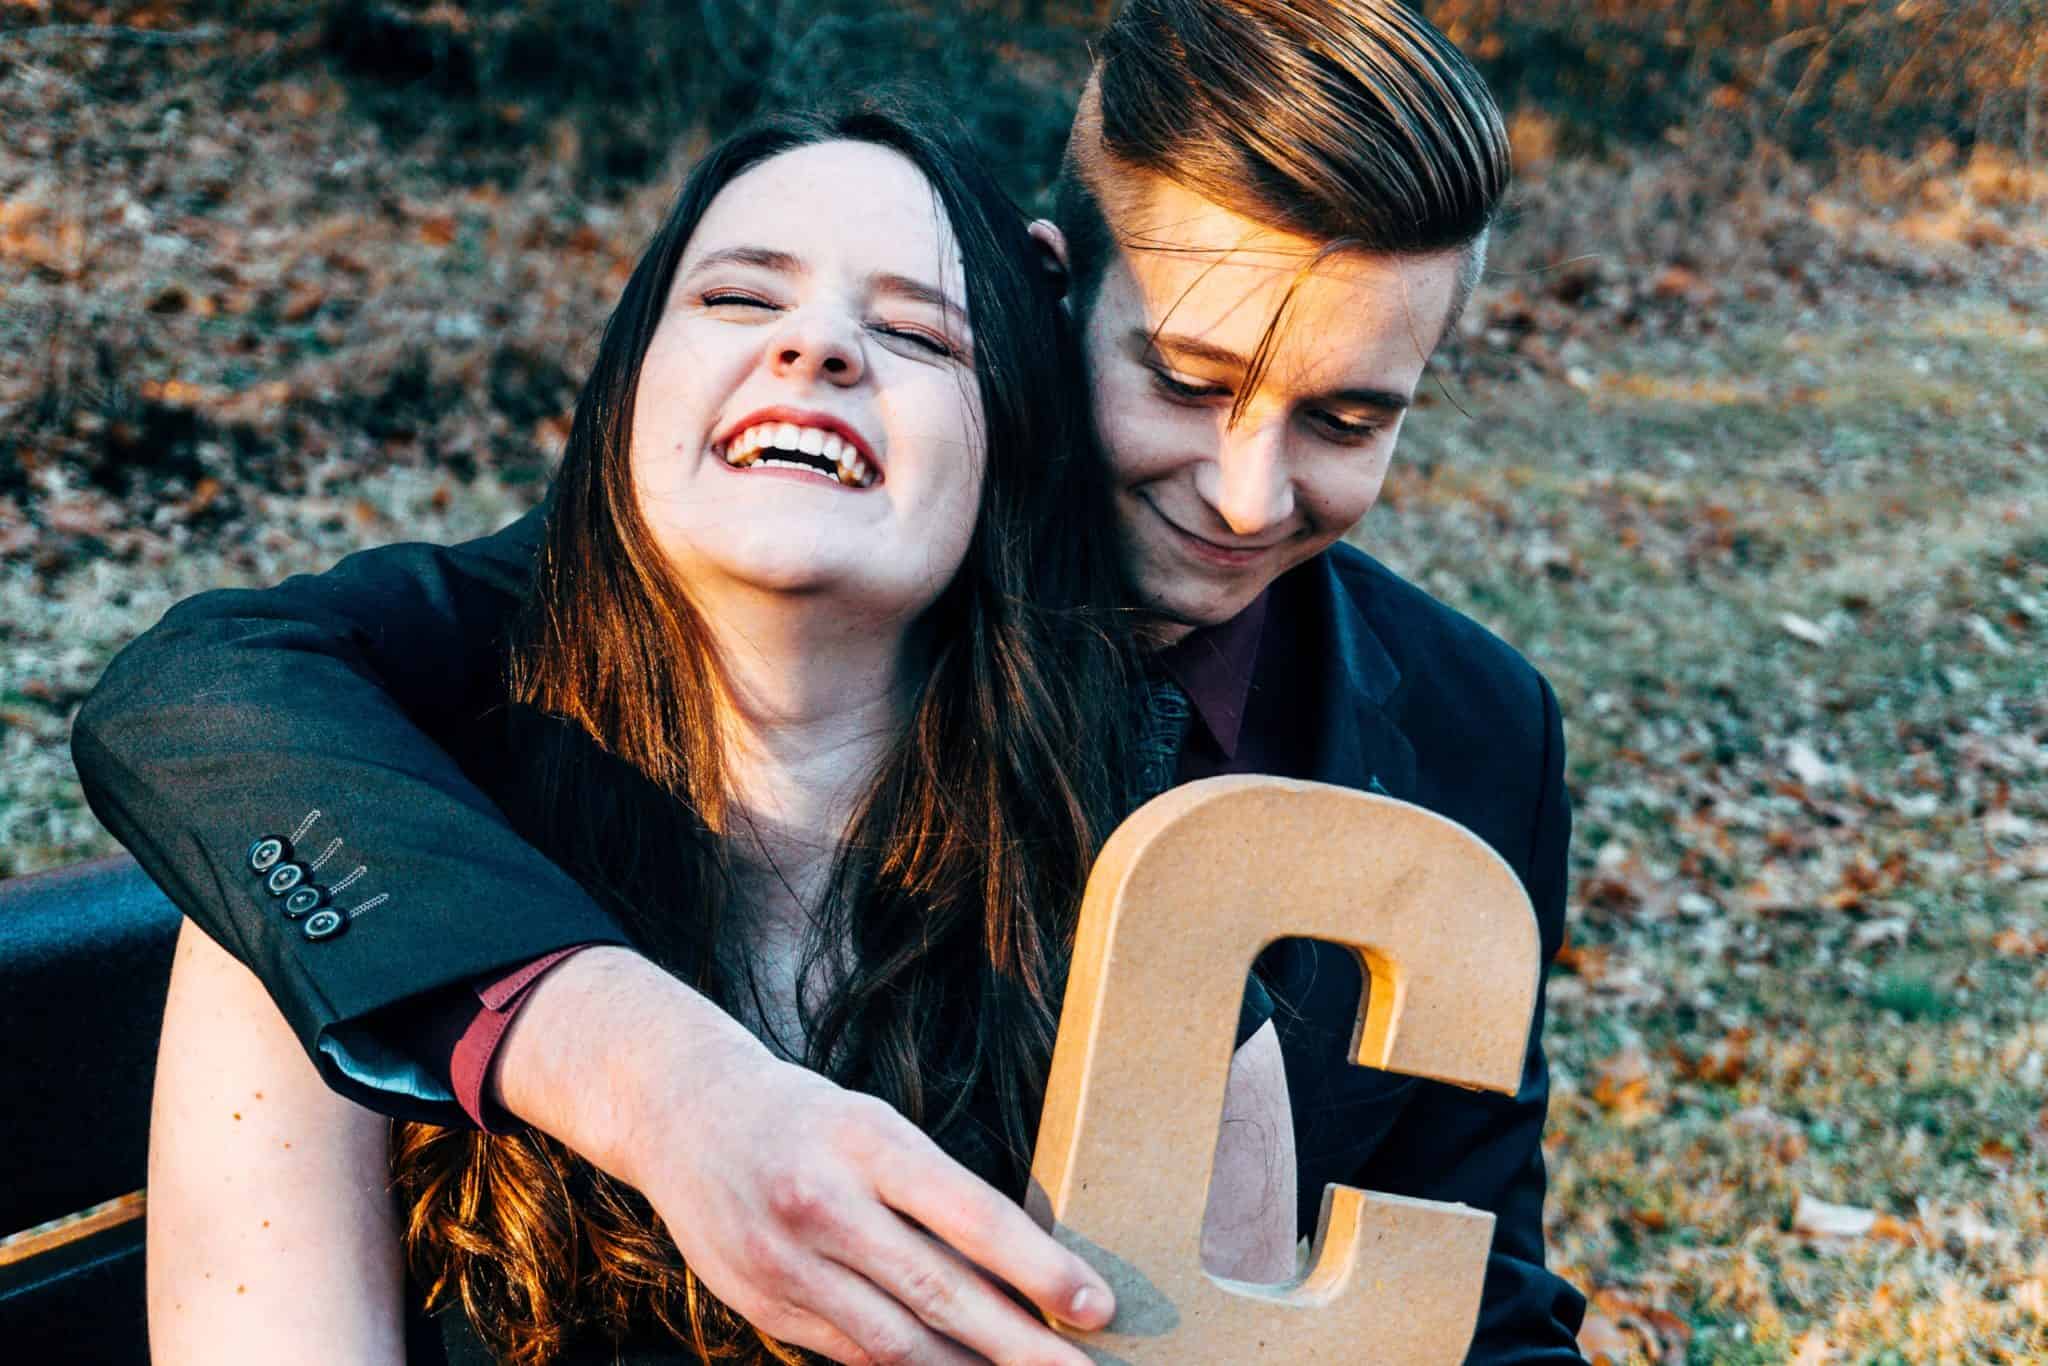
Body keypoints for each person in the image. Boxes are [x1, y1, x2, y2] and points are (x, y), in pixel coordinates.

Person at [76, 0, 1588, 1360]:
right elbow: (197, 691)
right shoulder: (617, 607)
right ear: (1046, 310)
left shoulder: (1473, 731)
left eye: (1347, 417)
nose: (1250, 496)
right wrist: (649, 1069)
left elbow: (1475, 1280)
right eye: (1190, 382)